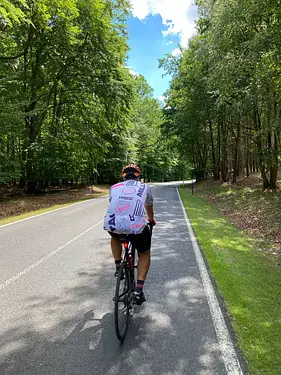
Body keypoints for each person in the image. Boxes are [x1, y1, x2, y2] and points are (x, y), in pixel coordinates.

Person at [104, 163, 155, 305]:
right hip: (135, 226)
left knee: (114, 235)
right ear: (139, 176)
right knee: (144, 252)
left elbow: (113, 204)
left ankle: (118, 265)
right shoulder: (145, 187)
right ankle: (138, 290)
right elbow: (148, 206)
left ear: (123, 176)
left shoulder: (114, 187)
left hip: (112, 223)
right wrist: (151, 219)